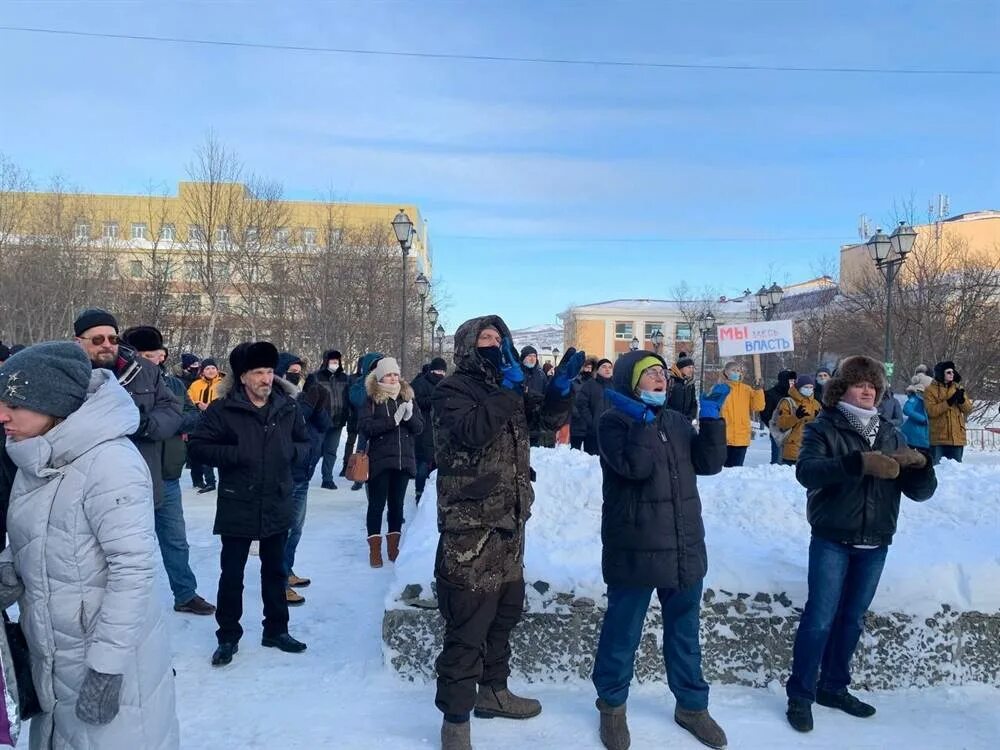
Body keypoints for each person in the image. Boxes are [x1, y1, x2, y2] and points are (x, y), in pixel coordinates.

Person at [0, 341, 179, 748]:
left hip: (102, 659)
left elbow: (133, 570)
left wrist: (107, 668)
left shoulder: (110, 463)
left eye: (13, 403)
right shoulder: (38, 457)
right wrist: (11, 570)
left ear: (53, 402)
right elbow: (45, 535)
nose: (1, 415)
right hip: (53, 649)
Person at [432, 315, 582, 750]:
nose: (494, 343)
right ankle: (455, 721)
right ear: (466, 345)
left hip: (510, 525)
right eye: (485, 337)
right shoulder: (453, 390)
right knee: (467, 624)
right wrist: (507, 390)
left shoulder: (509, 387)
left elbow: (542, 426)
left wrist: (558, 393)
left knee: (504, 615)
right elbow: (473, 434)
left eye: (500, 337)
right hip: (470, 529)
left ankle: (494, 691)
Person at [785, 355, 937, 733]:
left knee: (851, 619)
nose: (868, 390)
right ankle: (800, 695)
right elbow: (807, 473)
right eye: (859, 383)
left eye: (873, 385)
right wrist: (857, 463)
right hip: (833, 537)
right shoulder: (824, 427)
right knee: (819, 619)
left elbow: (920, 493)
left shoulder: (891, 431)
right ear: (842, 389)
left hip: (876, 540)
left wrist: (921, 467)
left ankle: (834, 687)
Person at [591, 351, 730, 750]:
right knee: (622, 633)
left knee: (685, 633)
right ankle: (612, 707)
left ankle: (692, 706)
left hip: (683, 545)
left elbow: (710, 463)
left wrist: (713, 420)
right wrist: (639, 421)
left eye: (662, 373)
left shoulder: (674, 420)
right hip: (635, 546)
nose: (660, 378)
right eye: (649, 373)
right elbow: (634, 468)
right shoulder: (613, 423)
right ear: (630, 382)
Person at [188, 341, 311, 666]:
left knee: (275, 570)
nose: (266, 378)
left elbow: (305, 444)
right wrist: (235, 455)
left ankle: (276, 630)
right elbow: (198, 448)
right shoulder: (223, 409)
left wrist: (291, 453)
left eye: (269, 371)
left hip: (276, 498)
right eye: (258, 372)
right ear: (243, 377)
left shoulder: (288, 407)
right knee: (232, 574)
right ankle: (228, 636)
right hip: (238, 500)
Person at [122, 326, 216, 616]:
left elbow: (192, 417)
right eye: (145, 355)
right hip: (130, 478)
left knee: (175, 539)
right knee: (129, 546)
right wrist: (158, 423)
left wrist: (162, 423)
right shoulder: (118, 386)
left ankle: (185, 594)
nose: (153, 360)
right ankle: (128, 604)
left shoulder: (173, 385)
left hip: (169, 474)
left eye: (156, 355)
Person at [74, 307, 182, 508]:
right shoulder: (67, 373)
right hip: (85, 482)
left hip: (139, 476)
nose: (107, 345)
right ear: (78, 341)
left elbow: (171, 409)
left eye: (113, 339)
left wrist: (143, 424)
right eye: (98, 340)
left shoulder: (145, 369)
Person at [358, 357, 424, 567]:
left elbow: (419, 428)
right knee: (376, 505)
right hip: (379, 461)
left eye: (395, 374)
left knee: (397, 506)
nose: (393, 378)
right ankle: (375, 551)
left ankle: (393, 548)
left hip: (403, 461)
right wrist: (392, 420)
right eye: (388, 374)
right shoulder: (371, 399)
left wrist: (410, 417)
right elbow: (366, 427)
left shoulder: (408, 397)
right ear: (379, 377)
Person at [277, 353, 331, 605]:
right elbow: (293, 422)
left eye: (299, 370)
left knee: (296, 529)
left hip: (305, 469)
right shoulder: (276, 394)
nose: (295, 374)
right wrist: (308, 405)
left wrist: (320, 402)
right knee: (283, 530)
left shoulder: (303, 393)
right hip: (285, 471)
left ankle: (287, 570)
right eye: (291, 369)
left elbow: (322, 425)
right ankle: (278, 581)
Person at [411, 357, 447, 504]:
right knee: (423, 464)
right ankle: (419, 492)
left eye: (442, 371)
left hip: (440, 429)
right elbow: (415, 402)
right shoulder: (420, 383)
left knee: (436, 464)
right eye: (438, 370)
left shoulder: (446, 384)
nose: (440, 374)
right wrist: (435, 400)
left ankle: (434, 493)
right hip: (424, 428)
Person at [346, 351, 384, 490]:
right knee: (362, 449)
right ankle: (359, 476)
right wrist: (368, 384)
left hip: (382, 422)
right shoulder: (360, 382)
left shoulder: (384, 380)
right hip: (366, 421)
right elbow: (356, 399)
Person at [924, 360, 973, 464]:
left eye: (953, 372)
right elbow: (931, 411)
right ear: (941, 373)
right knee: (937, 469)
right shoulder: (930, 390)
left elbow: (968, 409)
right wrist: (949, 402)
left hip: (957, 437)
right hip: (938, 437)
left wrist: (962, 401)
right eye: (948, 372)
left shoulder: (958, 387)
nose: (952, 374)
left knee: (956, 471)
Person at [187, 357, 224, 492]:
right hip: (200, 420)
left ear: (217, 370)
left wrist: (211, 406)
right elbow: (188, 399)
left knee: (220, 453)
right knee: (202, 450)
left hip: (219, 422)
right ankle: (204, 481)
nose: (211, 371)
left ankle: (219, 482)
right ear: (202, 371)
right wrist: (197, 404)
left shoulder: (223, 384)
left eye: (213, 368)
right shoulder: (196, 385)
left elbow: (228, 400)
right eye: (207, 368)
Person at [718, 361, 765, 468]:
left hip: (741, 437)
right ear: (726, 372)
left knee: (737, 470)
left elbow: (758, 407)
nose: (736, 373)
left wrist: (758, 391)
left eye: (738, 371)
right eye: (733, 370)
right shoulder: (719, 389)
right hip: (723, 437)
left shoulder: (747, 389)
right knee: (723, 472)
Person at [315, 349, 350, 490]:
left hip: (338, 420)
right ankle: (304, 474)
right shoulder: (316, 377)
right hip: (320, 421)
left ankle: (327, 478)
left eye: (337, 361)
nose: (335, 363)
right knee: (315, 449)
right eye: (332, 361)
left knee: (331, 450)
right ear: (325, 361)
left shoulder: (344, 378)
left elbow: (348, 398)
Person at [774, 374, 821, 465]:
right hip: (792, 449)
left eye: (811, 387)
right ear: (799, 387)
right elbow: (781, 424)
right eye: (806, 387)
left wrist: (819, 420)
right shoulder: (788, 402)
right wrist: (796, 417)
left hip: (812, 449)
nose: (809, 389)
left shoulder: (816, 404)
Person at [574, 358, 613, 456]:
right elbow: (581, 404)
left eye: (609, 367)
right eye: (604, 367)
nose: (607, 369)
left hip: (612, 433)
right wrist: (591, 421)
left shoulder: (616, 386)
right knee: (593, 464)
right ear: (598, 370)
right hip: (593, 433)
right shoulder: (590, 384)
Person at [761, 369, 797, 464]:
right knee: (778, 462)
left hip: (795, 434)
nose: (792, 383)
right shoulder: (770, 394)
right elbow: (765, 414)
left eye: (793, 380)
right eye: (790, 380)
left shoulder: (795, 394)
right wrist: (775, 427)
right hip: (779, 433)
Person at [569, 357, 596, 450]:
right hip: (577, 422)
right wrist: (577, 413)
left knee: (590, 454)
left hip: (590, 424)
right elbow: (571, 400)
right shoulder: (574, 382)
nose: (588, 370)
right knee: (574, 452)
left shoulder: (595, 383)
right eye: (586, 367)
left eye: (590, 368)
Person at [901, 373, 933, 450]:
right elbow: (906, 409)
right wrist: (922, 419)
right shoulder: (915, 398)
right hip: (913, 436)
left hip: (925, 438)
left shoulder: (930, 400)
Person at [666, 352, 698, 422]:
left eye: (692, 367)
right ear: (680, 368)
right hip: (671, 422)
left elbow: (693, 403)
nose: (691, 370)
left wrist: (690, 418)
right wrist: (673, 418)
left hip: (686, 422)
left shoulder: (690, 383)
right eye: (688, 367)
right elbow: (664, 402)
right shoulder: (670, 381)